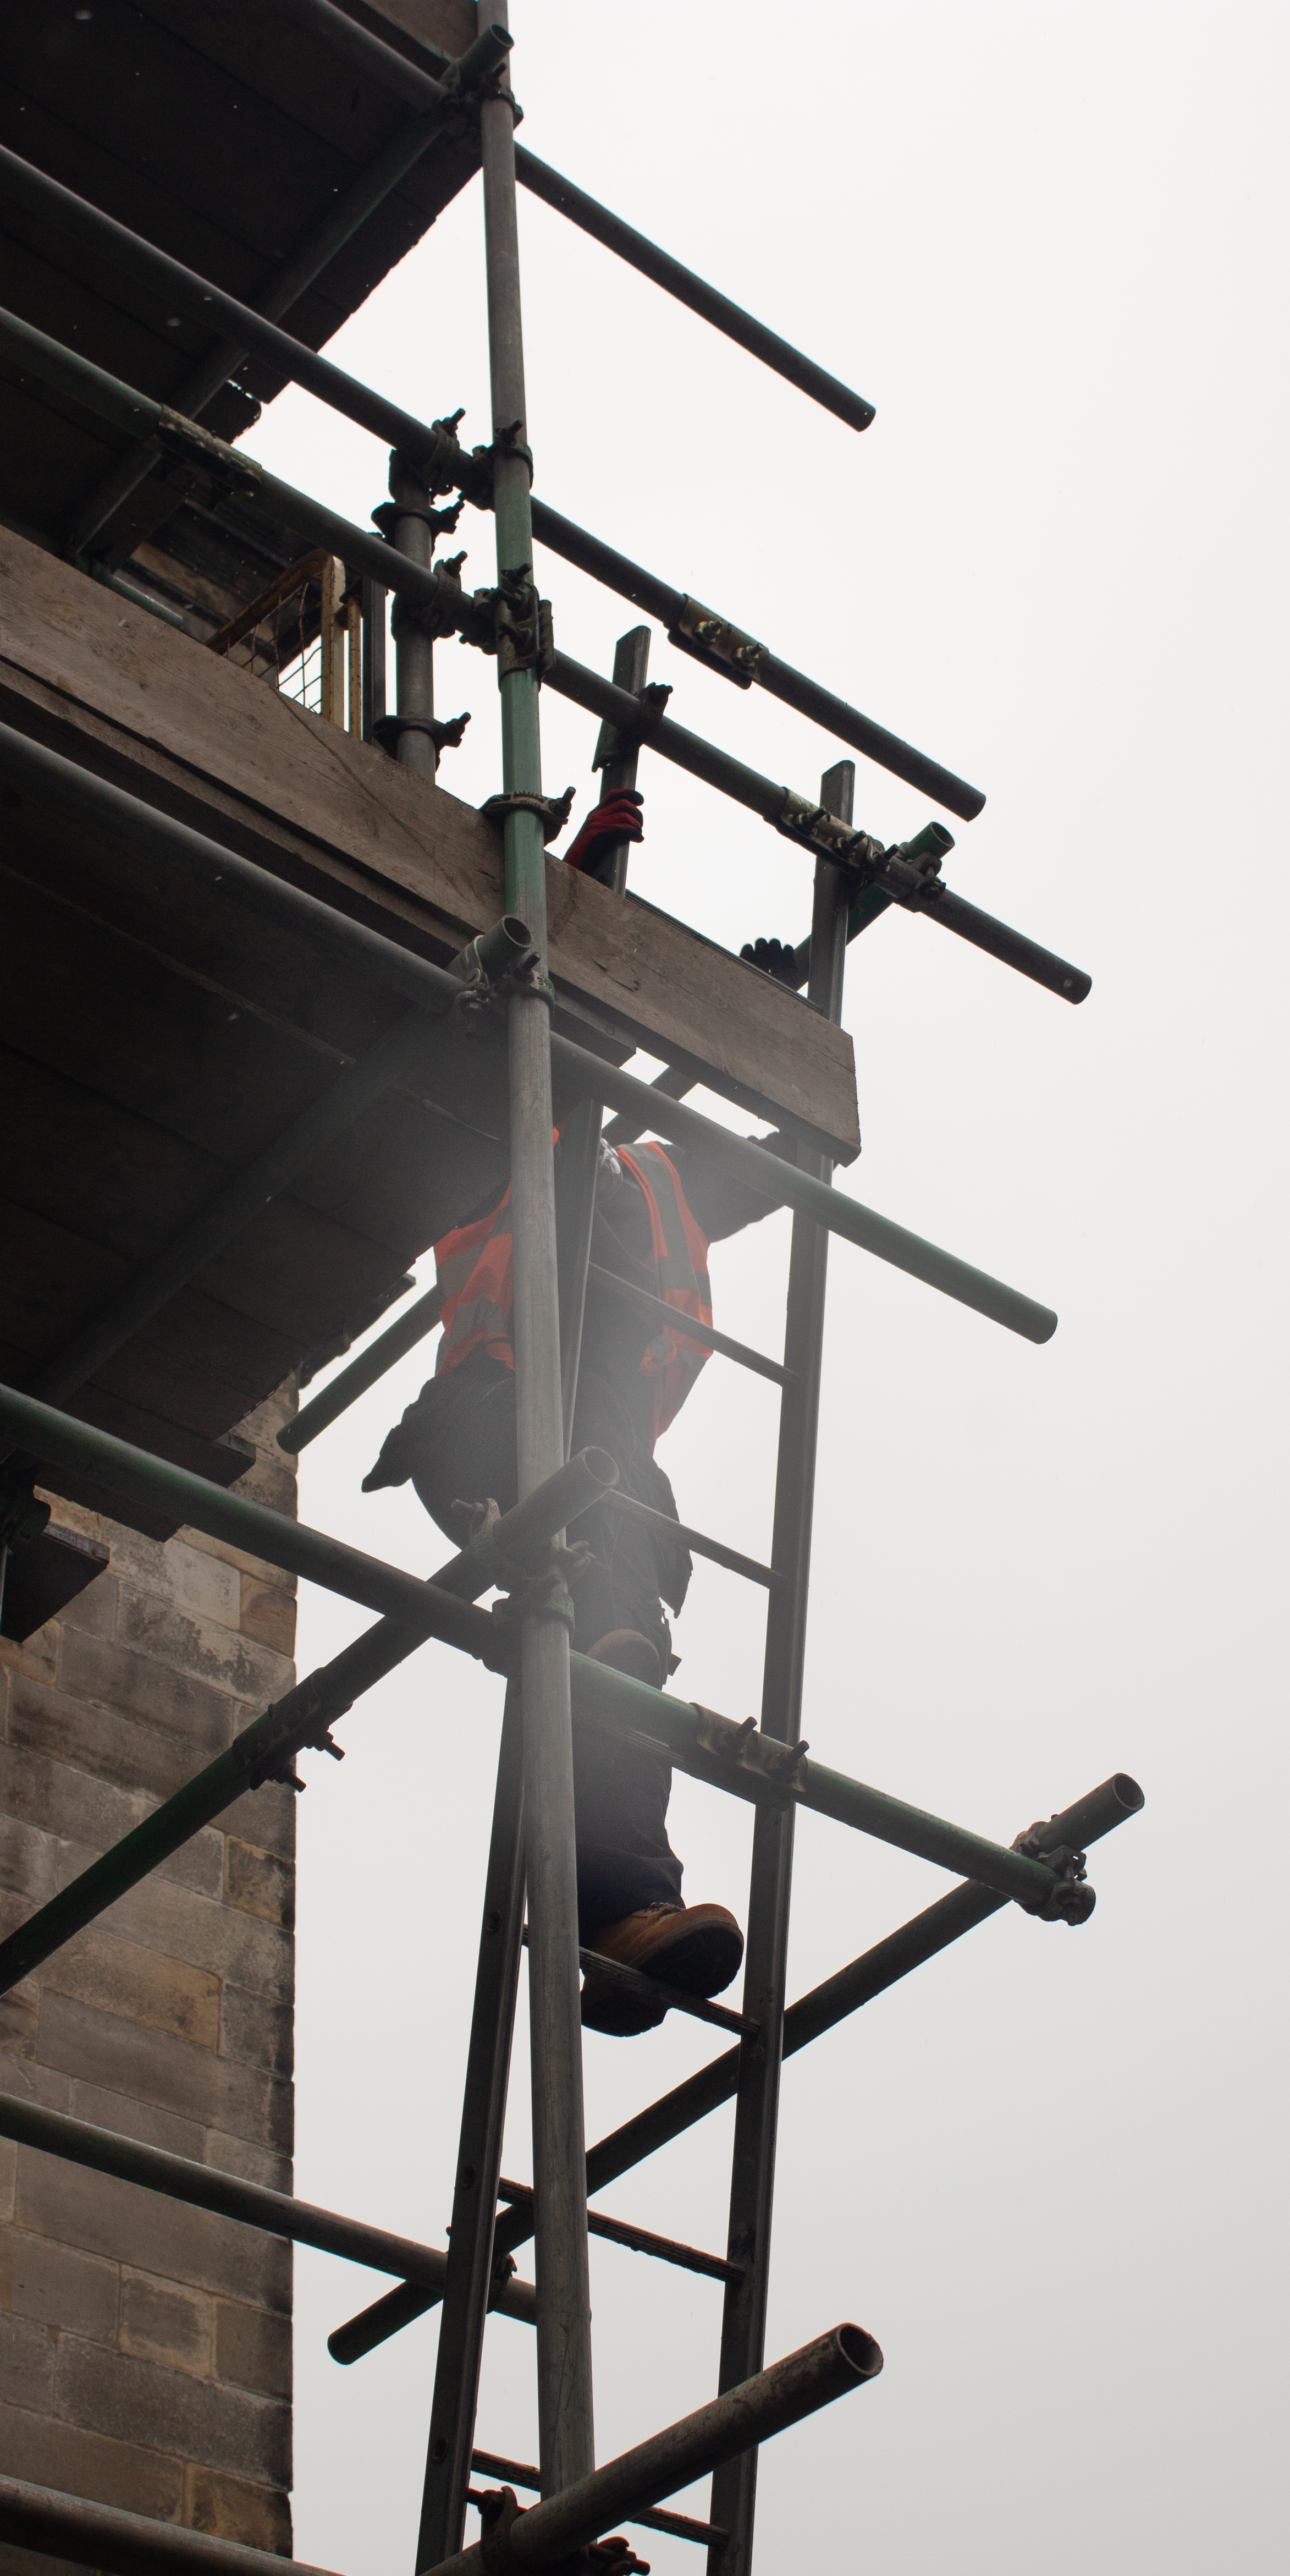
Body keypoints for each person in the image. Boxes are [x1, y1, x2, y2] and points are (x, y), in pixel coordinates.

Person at [365, 790, 793, 2032]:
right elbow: (551, 1001)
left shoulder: (664, 1183)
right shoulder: (511, 1130)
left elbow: (780, 1150)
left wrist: (797, 994)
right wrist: (589, 881)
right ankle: (608, 1898)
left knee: (622, 1612)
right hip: (483, 1422)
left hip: (600, 1473)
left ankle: (621, 1914)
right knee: (614, 1590)